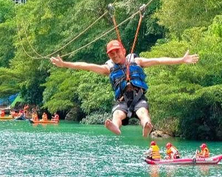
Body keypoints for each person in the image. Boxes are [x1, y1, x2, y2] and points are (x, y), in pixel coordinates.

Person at [50, 40, 199, 137]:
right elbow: (86, 66)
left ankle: (147, 126)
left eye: (117, 52)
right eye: (112, 54)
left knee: (143, 112)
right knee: (118, 114)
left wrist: (181, 60)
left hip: (138, 97)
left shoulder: (136, 61)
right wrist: (65, 64)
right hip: (122, 101)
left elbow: (159, 60)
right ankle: (115, 126)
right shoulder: (108, 67)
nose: (115, 55)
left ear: (123, 50)